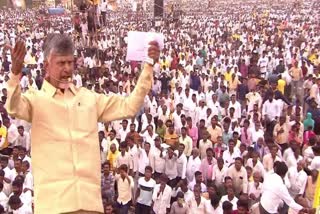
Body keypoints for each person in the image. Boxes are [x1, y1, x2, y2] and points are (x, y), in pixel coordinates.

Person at [4, 35, 160, 214]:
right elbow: (13, 106)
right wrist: (15, 73)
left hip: (89, 204)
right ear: (46, 66)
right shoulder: (35, 101)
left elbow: (130, 106)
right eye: (61, 63)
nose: (67, 69)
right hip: (53, 205)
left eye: (70, 63)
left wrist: (148, 64)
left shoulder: (88, 98)